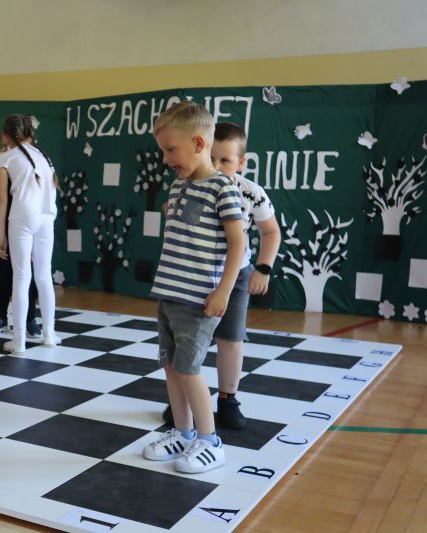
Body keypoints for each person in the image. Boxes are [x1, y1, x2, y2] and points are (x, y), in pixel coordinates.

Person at [143, 101, 244, 474]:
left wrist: (223, 291)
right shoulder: (178, 186)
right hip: (169, 295)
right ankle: (182, 432)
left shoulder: (223, 188)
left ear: (199, 143)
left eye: (171, 150)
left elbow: (238, 243)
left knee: (188, 369)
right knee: (171, 366)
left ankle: (210, 440)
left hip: (198, 300)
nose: (166, 159)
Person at [163, 122, 281, 429]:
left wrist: (263, 268)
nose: (216, 166)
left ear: (240, 163)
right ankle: (185, 402)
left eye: (225, 160)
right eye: (211, 158)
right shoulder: (189, 183)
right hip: (196, 276)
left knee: (230, 339)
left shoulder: (250, 193)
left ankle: (228, 399)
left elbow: (271, 232)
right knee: (185, 340)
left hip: (235, 275)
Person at [0, 114, 57, 354]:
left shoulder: (6, 157)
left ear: (6, 135)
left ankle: (18, 341)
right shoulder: (44, 156)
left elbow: (2, 199)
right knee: (44, 275)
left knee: (21, 277)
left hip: (22, 216)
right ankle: (49, 334)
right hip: (47, 217)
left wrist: (1, 236)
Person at [0, 151, 42, 337]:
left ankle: (30, 319)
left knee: (28, 272)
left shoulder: (35, 159)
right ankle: (1, 317)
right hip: (6, 223)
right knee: (3, 271)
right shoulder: (3, 159)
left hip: (28, 222)